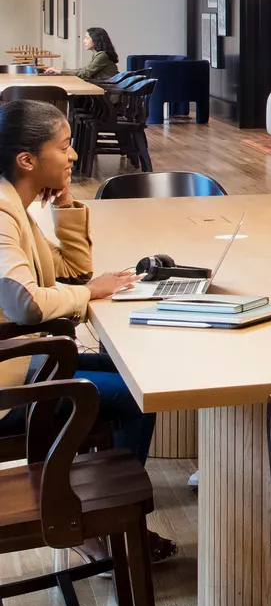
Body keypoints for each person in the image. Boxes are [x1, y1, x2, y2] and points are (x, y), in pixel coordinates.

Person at [0, 100, 174, 558]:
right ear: (27, 160)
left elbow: (72, 273)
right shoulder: (1, 213)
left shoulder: (14, 204)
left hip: (30, 358)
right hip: (12, 381)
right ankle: (109, 526)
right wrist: (91, 294)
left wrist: (69, 204)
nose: (74, 155)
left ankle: (101, 513)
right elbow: (25, 301)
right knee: (136, 394)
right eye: (64, 147)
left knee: (134, 374)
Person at [49, 26, 118, 83]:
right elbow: (83, 70)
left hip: (109, 89)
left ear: (96, 39)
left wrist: (60, 71)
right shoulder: (98, 54)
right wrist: (61, 71)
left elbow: (84, 74)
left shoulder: (102, 56)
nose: (84, 41)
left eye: (87, 38)